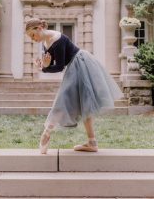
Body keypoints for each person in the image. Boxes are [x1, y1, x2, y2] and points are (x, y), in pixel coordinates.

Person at [25, 18, 123, 154]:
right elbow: (55, 64)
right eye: (31, 37)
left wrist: (45, 69)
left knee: (66, 99)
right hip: (73, 67)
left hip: (80, 64)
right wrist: (44, 66)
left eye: (33, 35)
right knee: (82, 102)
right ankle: (92, 142)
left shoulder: (57, 39)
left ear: (39, 28)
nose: (33, 39)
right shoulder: (46, 43)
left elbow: (59, 67)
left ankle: (47, 132)